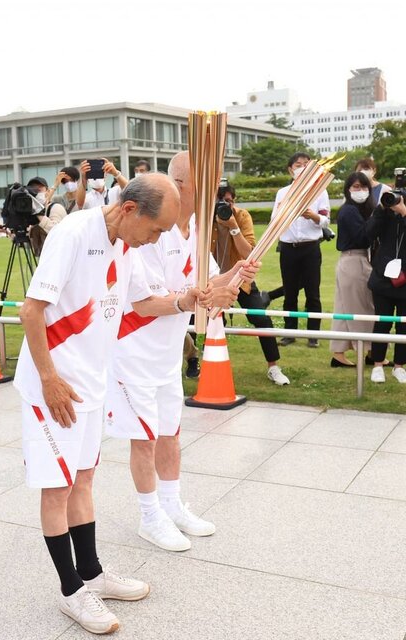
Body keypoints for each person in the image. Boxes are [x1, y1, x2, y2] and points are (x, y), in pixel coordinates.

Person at [14, 173, 237, 634]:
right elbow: (31, 310)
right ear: (131, 209)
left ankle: (92, 572)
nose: (157, 239)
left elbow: (143, 303)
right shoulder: (74, 234)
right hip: (54, 386)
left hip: (91, 381)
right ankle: (71, 591)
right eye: (156, 230)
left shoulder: (126, 246)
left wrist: (190, 298)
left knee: (84, 480)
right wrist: (50, 379)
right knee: (57, 489)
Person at [106, 154, 259, 554]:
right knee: (143, 438)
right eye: (203, 182)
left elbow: (205, 285)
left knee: (170, 431)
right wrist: (189, 302)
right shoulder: (150, 231)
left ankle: (172, 504)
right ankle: (149, 516)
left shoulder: (194, 229)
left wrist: (239, 272)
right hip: (134, 349)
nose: (213, 189)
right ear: (182, 185)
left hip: (167, 352)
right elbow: (143, 303)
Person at [211, 183, 289, 385]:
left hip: (240, 278)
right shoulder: (204, 219)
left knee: (260, 318)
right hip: (213, 280)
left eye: (228, 201)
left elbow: (249, 254)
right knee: (210, 321)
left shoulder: (242, 216)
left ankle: (273, 367)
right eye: (219, 201)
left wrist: (233, 227)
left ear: (234, 201)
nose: (224, 206)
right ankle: (204, 363)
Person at [272, 152, 331, 348]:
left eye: (307, 164)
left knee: (312, 292)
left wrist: (313, 216)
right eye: (299, 164)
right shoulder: (283, 192)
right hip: (289, 248)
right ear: (291, 169)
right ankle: (290, 332)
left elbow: (325, 220)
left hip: (310, 247)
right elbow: (274, 222)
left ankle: (313, 334)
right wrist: (283, 212)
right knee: (290, 291)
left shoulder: (320, 192)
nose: (303, 168)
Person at [329, 173, 377, 367]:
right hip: (355, 260)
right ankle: (370, 352)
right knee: (363, 307)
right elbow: (363, 237)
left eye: (363, 187)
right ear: (348, 189)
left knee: (344, 308)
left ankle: (338, 354)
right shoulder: (349, 211)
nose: (360, 191)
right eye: (356, 187)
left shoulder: (356, 210)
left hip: (352, 261)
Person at [366, 193, 406, 383]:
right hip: (383, 278)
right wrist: (381, 210)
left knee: (404, 325)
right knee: (382, 323)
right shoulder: (384, 213)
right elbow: (368, 235)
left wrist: (404, 213)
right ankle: (378, 364)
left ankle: (399, 366)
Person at [26, 177, 68, 257]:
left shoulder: (56, 208)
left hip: (59, 257)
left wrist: (38, 212)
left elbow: (56, 232)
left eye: (39, 190)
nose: (36, 193)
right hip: (43, 259)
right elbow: (27, 242)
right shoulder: (31, 212)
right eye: (33, 190)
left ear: (48, 192)